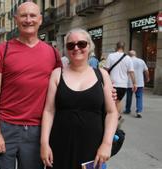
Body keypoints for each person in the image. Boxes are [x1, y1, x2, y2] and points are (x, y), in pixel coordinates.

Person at [0, 2, 62, 169]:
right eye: (23, 16)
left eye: (33, 16)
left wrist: (105, 89)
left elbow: (64, 86)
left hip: (37, 131)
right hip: (6, 127)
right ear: (16, 20)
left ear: (40, 19)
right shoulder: (2, 50)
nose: (28, 20)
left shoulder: (52, 53)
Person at [40, 28, 118, 169]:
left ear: (89, 46)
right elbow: (49, 111)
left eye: (81, 44)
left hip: (93, 148)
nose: (76, 48)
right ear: (66, 50)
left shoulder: (102, 75)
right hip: (59, 145)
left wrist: (107, 144)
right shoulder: (57, 74)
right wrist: (44, 144)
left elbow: (112, 112)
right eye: (71, 45)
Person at [104, 41, 137, 118]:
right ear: (124, 48)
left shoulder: (111, 56)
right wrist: (134, 83)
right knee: (118, 101)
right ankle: (117, 117)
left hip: (112, 83)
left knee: (111, 102)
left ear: (116, 47)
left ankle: (112, 117)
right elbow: (131, 72)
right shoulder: (128, 58)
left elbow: (106, 70)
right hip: (123, 85)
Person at [124, 50, 150, 118]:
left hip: (129, 82)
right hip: (140, 82)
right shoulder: (141, 61)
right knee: (139, 97)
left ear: (128, 55)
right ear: (135, 54)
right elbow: (146, 70)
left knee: (129, 97)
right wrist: (147, 78)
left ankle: (127, 109)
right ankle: (139, 111)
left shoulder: (127, 61)